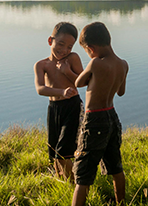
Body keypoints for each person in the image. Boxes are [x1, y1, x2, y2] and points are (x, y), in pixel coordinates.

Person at [72, 22, 129, 206]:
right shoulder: (123, 64)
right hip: (112, 116)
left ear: (91, 48)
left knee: (83, 172)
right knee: (115, 165)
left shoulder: (95, 63)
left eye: (86, 51)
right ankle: (121, 202)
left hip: (94, 119)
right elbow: (121, 92)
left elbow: (78, 83)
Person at [33, 22, 84, 181]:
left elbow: (83, 81)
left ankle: (74, 184)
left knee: (64, 150)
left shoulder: (73, 58)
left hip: (73, 106)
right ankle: (61, 181)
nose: (64, 50)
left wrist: (67, 72)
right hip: (54, 108)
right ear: (50, 41)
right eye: (60, 44)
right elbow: (40, 89)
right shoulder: (42, 65)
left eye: (69, 47)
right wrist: (61, 92)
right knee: (54, 150)